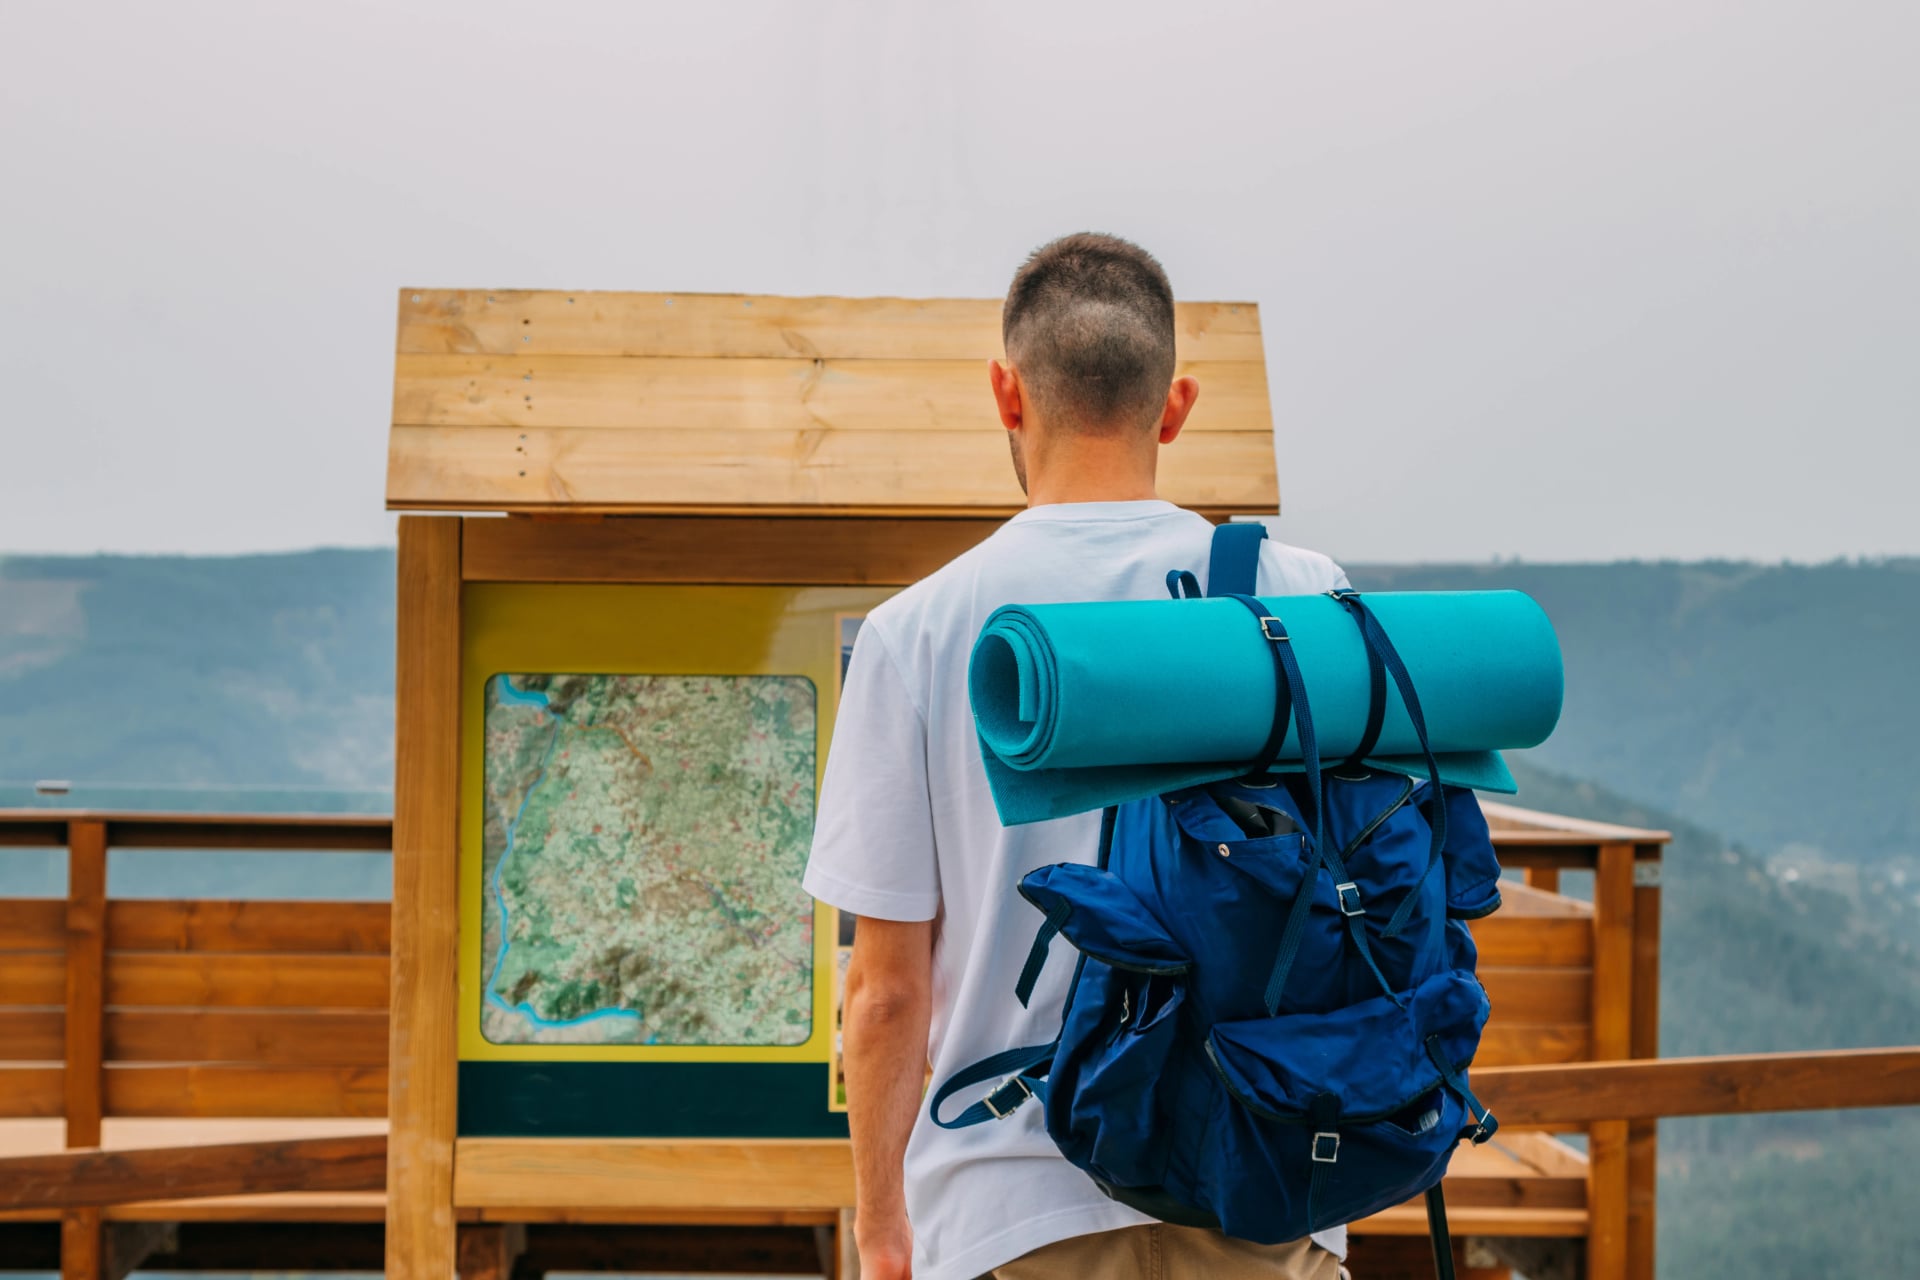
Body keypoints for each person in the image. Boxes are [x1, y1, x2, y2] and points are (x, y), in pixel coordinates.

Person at [804, 233, 1352, 1280]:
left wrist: (882, 1229)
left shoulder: (917, 633)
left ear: (1007, 396)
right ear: (1175, 403)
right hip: (1269, 1178)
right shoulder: (1303, 591)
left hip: (1012, 1201)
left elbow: (885, 992)